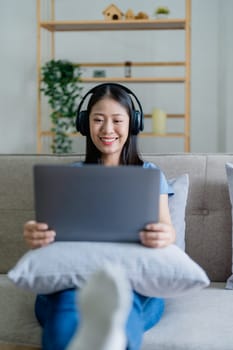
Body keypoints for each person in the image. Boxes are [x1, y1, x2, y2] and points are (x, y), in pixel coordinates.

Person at [23, 83, 175, 350]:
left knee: (123, 305)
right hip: (77, 274)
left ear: (133, 124)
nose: (107, 130)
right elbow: (53, 233)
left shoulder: (150, 174)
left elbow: (167, 229)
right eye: (98, 120)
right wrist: (37, 232)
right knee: (68, 309)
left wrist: (163, 235)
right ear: (85, 124)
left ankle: (106, 336)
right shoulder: (70, 176)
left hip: (130, 276)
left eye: (117, 120)